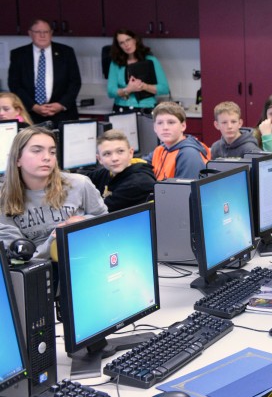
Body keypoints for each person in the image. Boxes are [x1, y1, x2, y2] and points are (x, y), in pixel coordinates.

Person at [0, 127, 107, 259]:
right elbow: (20, 257)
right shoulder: (3, 198)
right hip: (36, 271)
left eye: (52, 152)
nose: (47, 157)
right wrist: (58, 236)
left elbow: (104, 222)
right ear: (17, 159)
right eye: (37, 151)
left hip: (82, 260)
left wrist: (83, 222)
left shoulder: (80, 184)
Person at [7, 18, 82, 125]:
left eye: (46, 32)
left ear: (51, 33)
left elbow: (75, 82)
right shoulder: (18, 54)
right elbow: (14, 84)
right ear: (30, 33)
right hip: (30, 115)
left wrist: (61, 105)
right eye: (38, 32)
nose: (42, 35)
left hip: (63, 115)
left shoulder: (66, 52)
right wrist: (33, 106)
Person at [87, 130, 156, 212]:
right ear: (99, 159)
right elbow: (82, 178)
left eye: (120, 151)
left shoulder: (138, 183)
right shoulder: (109, 172)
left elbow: (100, 211)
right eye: (107, 154)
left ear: (130, 153)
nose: (114, 158)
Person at [107, 29, 170, 113]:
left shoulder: (151, 60)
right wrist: (128, 89)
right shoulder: (115, 63)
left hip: (147, 108)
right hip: (121, 108)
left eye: (128, 40)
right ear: (119, 46)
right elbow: (110, 91)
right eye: (121, 43)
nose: (126, 45)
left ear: (135, 39)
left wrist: (144, 86)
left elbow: (164, 88)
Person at [150, 101, 211, 180]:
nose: (165, 127)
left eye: (171, 122)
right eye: (160, 123)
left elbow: (185, 191)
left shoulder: (189, 154)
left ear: (183, 126)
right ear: (154, 128)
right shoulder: (160, 150)